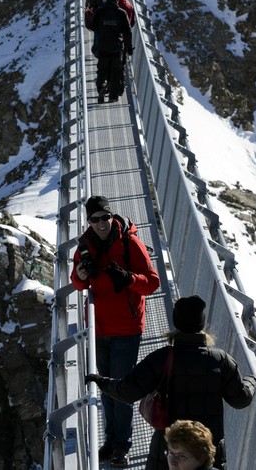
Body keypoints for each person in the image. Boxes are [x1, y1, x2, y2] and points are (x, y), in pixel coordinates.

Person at [87, 296, 256, 469]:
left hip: (169, 450)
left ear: (176, 323)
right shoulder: (220, 359)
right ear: (201, 324)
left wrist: (99, 380)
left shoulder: (162, 358)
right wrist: (253, 380)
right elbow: (240, 399)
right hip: (206, 450)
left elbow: (127, 391)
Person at [72, 195, 161, 465]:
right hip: (99, 329)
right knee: (106, 387)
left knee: (121, 390)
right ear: (89, 221)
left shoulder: (129, 243)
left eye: (105, 218)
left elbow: (152, 283)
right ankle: (111, 442)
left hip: (126, 329)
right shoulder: (85, 246)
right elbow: (77, 283)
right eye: (95, 219)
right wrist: (81, 276)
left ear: (112, 216)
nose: (101, 223)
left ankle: (121, 446)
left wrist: (128, 278)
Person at [86, 0, 134, 102]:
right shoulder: (121, 13)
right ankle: (113, 96)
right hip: (116, 47)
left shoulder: (100, 11)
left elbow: (93, 26)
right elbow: (127, 32)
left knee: (101, 70)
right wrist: (129, 49)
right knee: (116, 72)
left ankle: (101, 87)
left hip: (102, 46)